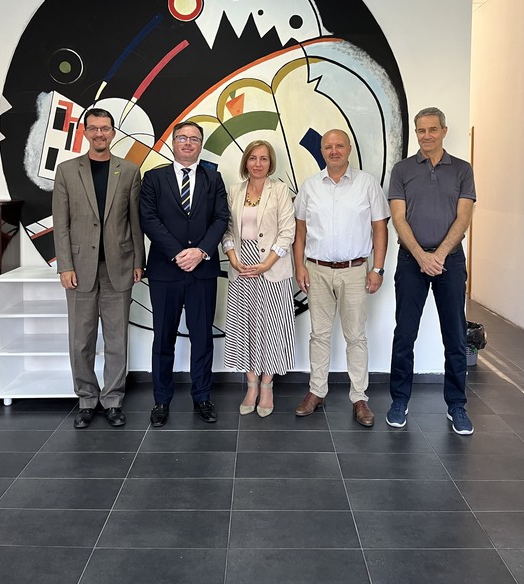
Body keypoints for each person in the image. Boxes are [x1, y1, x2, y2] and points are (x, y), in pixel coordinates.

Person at [52, 108, 145, 429]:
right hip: (79, 269)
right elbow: (61, 224)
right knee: (81, 341)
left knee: (117, 340)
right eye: (93, 128)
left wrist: (138, 261)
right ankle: (86, 399)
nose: (99, 134)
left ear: (113, 132)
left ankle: (113, 400)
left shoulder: (129, 171)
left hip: (119, 267)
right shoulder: (66, 171)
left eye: (105, 128)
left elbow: (135, 222)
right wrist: (65, 265)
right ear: (85, 132)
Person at [386, 107, 476, 435]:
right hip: (412, 261)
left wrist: (437, 255)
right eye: (421, 130)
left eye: (433, 129)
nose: (426, 136)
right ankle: (399, 401)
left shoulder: (463, 170)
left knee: (455, 336)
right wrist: (421, 256)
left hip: (450, 262)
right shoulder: (402, 169)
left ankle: (456, 405)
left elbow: (464, 217)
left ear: (444, 131)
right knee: (404, 334)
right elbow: (398, 218)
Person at [293, 129, 389, 426]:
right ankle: (316, 391)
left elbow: (380, 228)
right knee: (318, 335)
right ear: (322, 151)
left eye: (339, 146)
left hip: (355, 270)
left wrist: (378, 268)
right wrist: (299, 266)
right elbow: (300, 230)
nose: (334, 151)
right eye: (328, 147)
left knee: (356, 336)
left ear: (349, 149)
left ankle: (359, 397)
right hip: (317, 270)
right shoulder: (310, 186)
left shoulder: (367, 184)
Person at [140, 121, 229, 427]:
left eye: (194, 139)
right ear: (173, 143)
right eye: (182, 138)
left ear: (200, 145)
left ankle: (202, 397)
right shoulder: (154, 178)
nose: (188, 143)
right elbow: (148, 218)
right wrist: (178, 253)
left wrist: (200, 251)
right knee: (163, 338)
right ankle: (161, 400)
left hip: (202, 271)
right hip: (166, 270)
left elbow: (221, 218)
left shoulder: (214, 178)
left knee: (202, 337)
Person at [222, 140, 296, 417]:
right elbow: (227, 230)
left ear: (270, 163)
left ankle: (267, 385)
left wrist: (266, 264)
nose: (258, 163)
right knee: (247, 326)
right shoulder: (234, 191)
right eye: (253, 158)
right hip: (242, 266)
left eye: (264, 158)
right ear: (246, 162)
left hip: (272, 267)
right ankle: (251, 384)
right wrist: (233, 259)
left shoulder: (280, 190)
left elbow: (287, 232)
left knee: (271, 327)